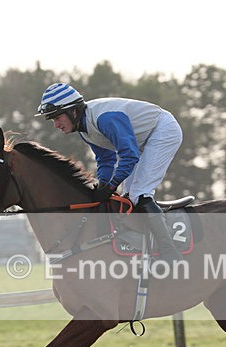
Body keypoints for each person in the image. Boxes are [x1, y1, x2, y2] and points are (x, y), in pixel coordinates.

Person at [35, 83, 183, 263]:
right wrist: (103, 184)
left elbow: (129, 155)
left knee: (139, 194)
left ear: (73, 111)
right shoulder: (84, 128)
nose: (56, 125)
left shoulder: (105, 119)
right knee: (128, 197)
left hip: (163, 131)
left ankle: (170, 253)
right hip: (142, 140)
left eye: (57, 118)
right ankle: (143, 249)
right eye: (52, 120)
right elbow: (106, 159)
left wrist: (112, 185)